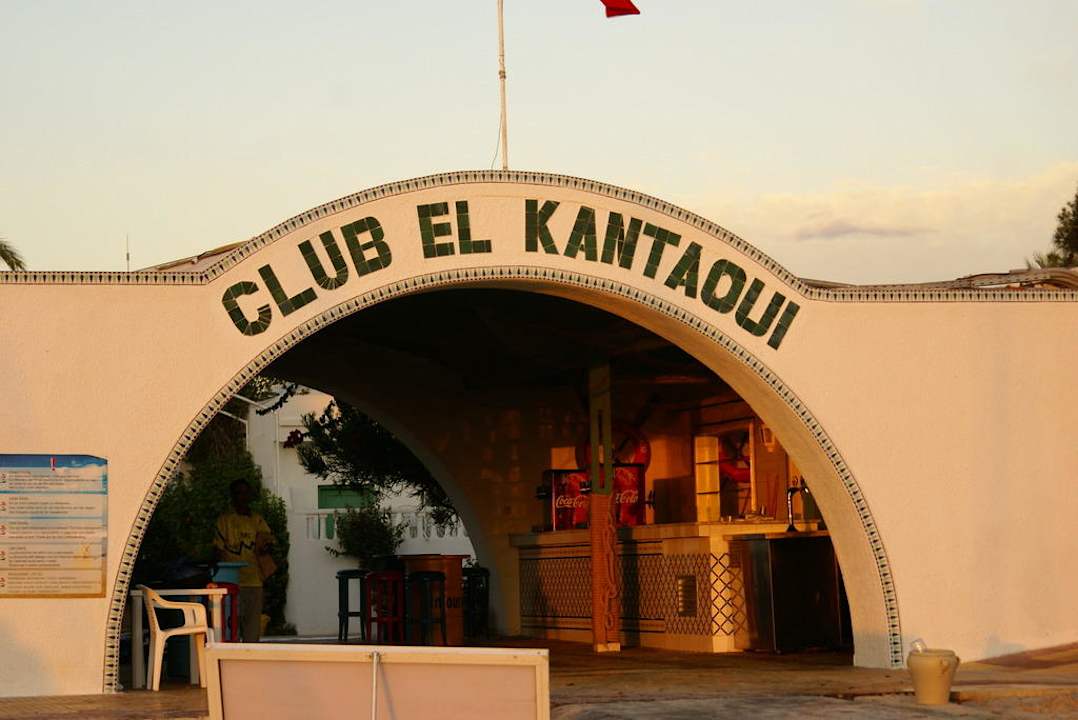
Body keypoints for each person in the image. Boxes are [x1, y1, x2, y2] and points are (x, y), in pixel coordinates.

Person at [213, 479, 273, 642]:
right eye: (238, 493)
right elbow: (217, 551)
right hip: (230, 582)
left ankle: (249, 662)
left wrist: (265, 547)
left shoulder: (258, 521)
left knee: (252, 630)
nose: (242, 497)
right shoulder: (224, 521)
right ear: (233, 496)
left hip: (254, 581)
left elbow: (267, 547)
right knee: (230, 626)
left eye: (246, 493)